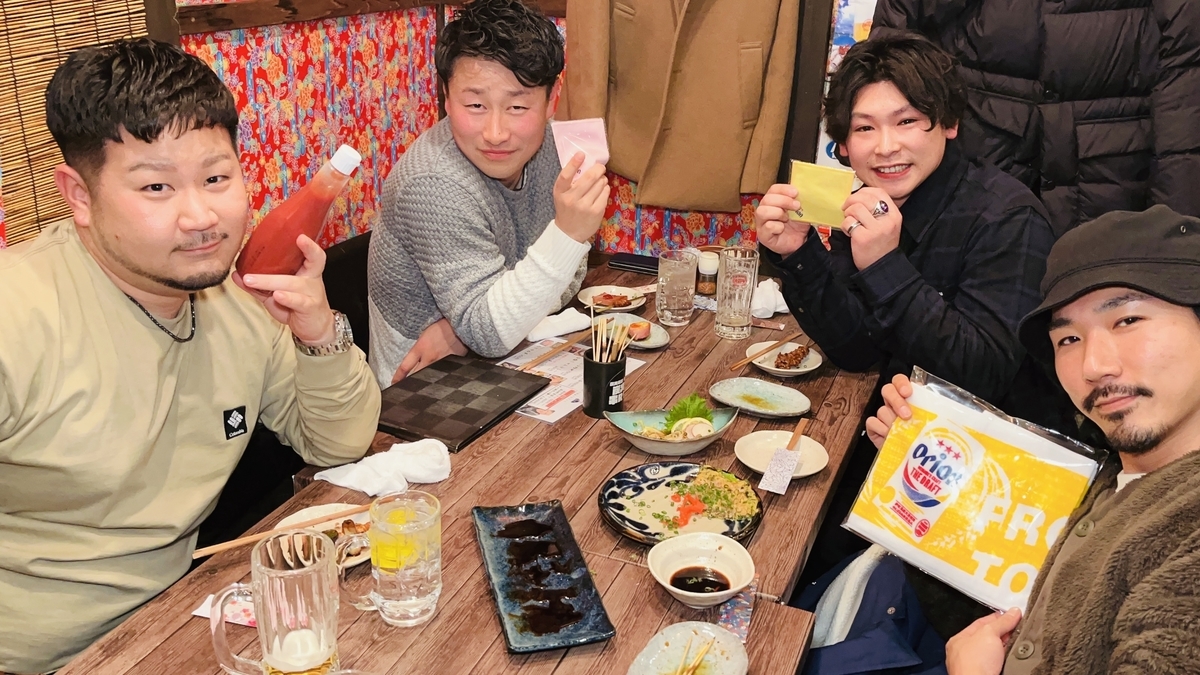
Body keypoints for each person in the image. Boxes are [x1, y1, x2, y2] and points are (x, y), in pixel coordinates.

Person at [0, 39, 380, 674]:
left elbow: (338, 443)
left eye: (216, 178)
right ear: (79, 195)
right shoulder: (17, 316)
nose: (201, 216)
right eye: (156, 186)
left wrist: (319, 333)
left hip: (180, 621)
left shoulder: (239, 299)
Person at [755, 33, 1072, 583]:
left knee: (798, 559)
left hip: (986, 496)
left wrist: (884, 264)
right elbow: (856, 349)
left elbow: (983, 376)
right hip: (891, 447)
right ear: (843, 145)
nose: (886, 147)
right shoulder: (867, 203)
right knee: (765, 524)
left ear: (947, 123)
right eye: (864, 128)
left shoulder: (1007, 218)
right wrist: (797, 254)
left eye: (907, 121)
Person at [865, 205, 1200, 674]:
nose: (1094, 366)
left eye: (1127, 321)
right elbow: (1012, 626)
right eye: (1068, 340)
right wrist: (922, 479)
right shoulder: (1101, 477)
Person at [367, 0, 610, 388]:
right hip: (423, 390)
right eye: (475, 105)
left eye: (517, 106)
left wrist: (461, 330)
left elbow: (568, 277)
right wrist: (567, 236)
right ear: (446, 98)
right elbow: (491, 334)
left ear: (552, 99)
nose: (496, 133)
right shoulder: (432, 182)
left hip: (516, 359)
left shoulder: (554, 148)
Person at [872, 0, 1200, 234]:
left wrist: (1177, 233)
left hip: (1114, 179)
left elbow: (1184, 83)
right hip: (980, 160)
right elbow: (891, 55)